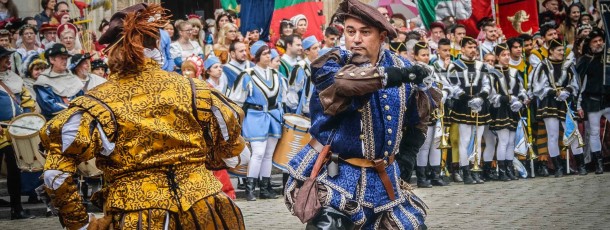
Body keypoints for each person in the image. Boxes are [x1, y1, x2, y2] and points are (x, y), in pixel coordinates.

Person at [41, 4, 245, 229]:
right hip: (204, 211)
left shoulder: (97, 102)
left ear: (112, 50)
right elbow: (234, 151)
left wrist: (79, 222)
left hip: (138, 217)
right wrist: (207, 163)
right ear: (157, 44)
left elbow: (55, 173)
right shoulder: (194, 89)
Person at [284, 0, 430, 228]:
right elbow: (347, 83)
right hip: (338, 176)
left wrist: (408, 154)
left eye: (365, 32)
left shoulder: (401, 66)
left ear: (382, 37)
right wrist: (395, 76)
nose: (356, 39)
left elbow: (419, 117)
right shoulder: (331, 64)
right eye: (350, 32)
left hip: (385, 180)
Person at [229, 41, 284, 201]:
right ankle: (250, 187)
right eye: (265, 53)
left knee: (268, 154)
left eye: (269, 53)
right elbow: (237, 99)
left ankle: (265, 188)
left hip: (272, 115)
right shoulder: (247, 75)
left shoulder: (276, 75)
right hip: (255, 115)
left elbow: (282, 98)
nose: (269, 56)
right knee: (258, 153)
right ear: (257, 56)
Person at [531, 39, 583, 177]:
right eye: (559, 50)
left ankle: (580, 164)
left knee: (573, 133)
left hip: (566, 101)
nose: (562, 52)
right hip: (550, 103)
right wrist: (554, 92)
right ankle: (558, 167)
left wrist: (568, 90)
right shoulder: (543, 66)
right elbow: (537, 87)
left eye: (562, 50)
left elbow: (576, 83)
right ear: (551, 51)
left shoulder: (569, 64)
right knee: (552, 135)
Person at [446, 36, 492, 185]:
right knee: (464, 140)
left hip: (479, 105)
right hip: (463, 106)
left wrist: (481, 98)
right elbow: (454, 86)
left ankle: (475, 169)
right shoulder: (455, 65)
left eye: (474, 47)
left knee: (478, 140)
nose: (473, 50)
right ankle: (465, 171)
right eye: (469, 47)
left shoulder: (482, 66)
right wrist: (467, 99)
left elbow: (487, 84)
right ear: (462, 49)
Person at [0, 46, 36, 220]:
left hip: (14, 131)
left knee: (14, 170)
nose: (8, 60)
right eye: (4, 57)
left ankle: (17, 208)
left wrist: (26, 117)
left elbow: (27, 99)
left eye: (8, 57)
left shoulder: (14, 79)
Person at [485, 43, 528, 181]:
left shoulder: (514, 72)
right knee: (503, 141)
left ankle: (509, 168)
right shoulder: (492, 74)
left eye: (508, 54)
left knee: (511, 141)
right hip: (500, 109)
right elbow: (491, 95)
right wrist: (508, 98)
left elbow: (521, 90)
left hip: (513, 109)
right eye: (503, 55)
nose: (507, 57)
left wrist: (520, 101)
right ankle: (502, 170)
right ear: (497, 57)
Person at [413, 41, 449, 188]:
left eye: (428, 54)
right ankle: (422, 177)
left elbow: (443, 84)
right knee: (425, 145)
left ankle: (435, 174)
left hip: (435, 111)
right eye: (423, 55)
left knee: (435, 144)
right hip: (422, 111)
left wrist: (444, 92)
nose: (426, 57)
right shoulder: (414, 70)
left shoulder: (432, 69)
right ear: (415, 56)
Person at [576, 28, 606, 174]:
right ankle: (598, 161)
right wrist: (578, 104)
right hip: (593, 100)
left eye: (600, 40)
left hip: (608, 99)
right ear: (589, 44)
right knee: (594, 132)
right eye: (595, 41)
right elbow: (579, 84)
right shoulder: (585, 60)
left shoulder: (607, 57)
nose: (599, 43)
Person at [34, 43, 83, 120]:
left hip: (77, 116)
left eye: (66, 58)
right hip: (55, 121)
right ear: (52, 60)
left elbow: (82, 97)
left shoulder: (72, 77)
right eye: (61, 58)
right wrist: (73, 107)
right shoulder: (43, 81)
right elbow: (49, 106)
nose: (65, 61)